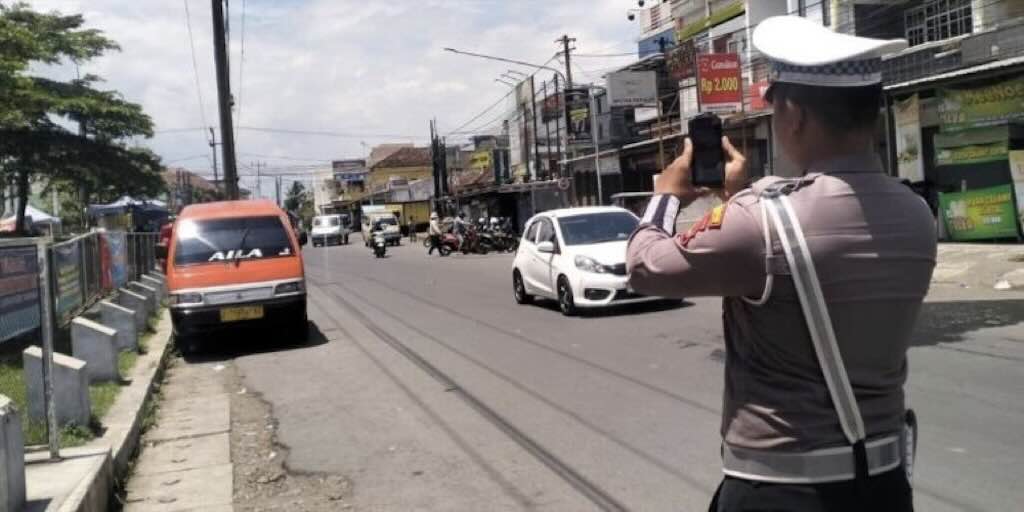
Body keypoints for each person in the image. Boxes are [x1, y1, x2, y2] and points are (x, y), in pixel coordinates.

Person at [626, 16, 936, 512]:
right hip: (884, 485)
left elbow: (645, 267)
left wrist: (665, 196)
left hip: (779, 492)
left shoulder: (760, 219)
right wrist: (741, 200)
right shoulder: (918, 214)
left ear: (792, 115)